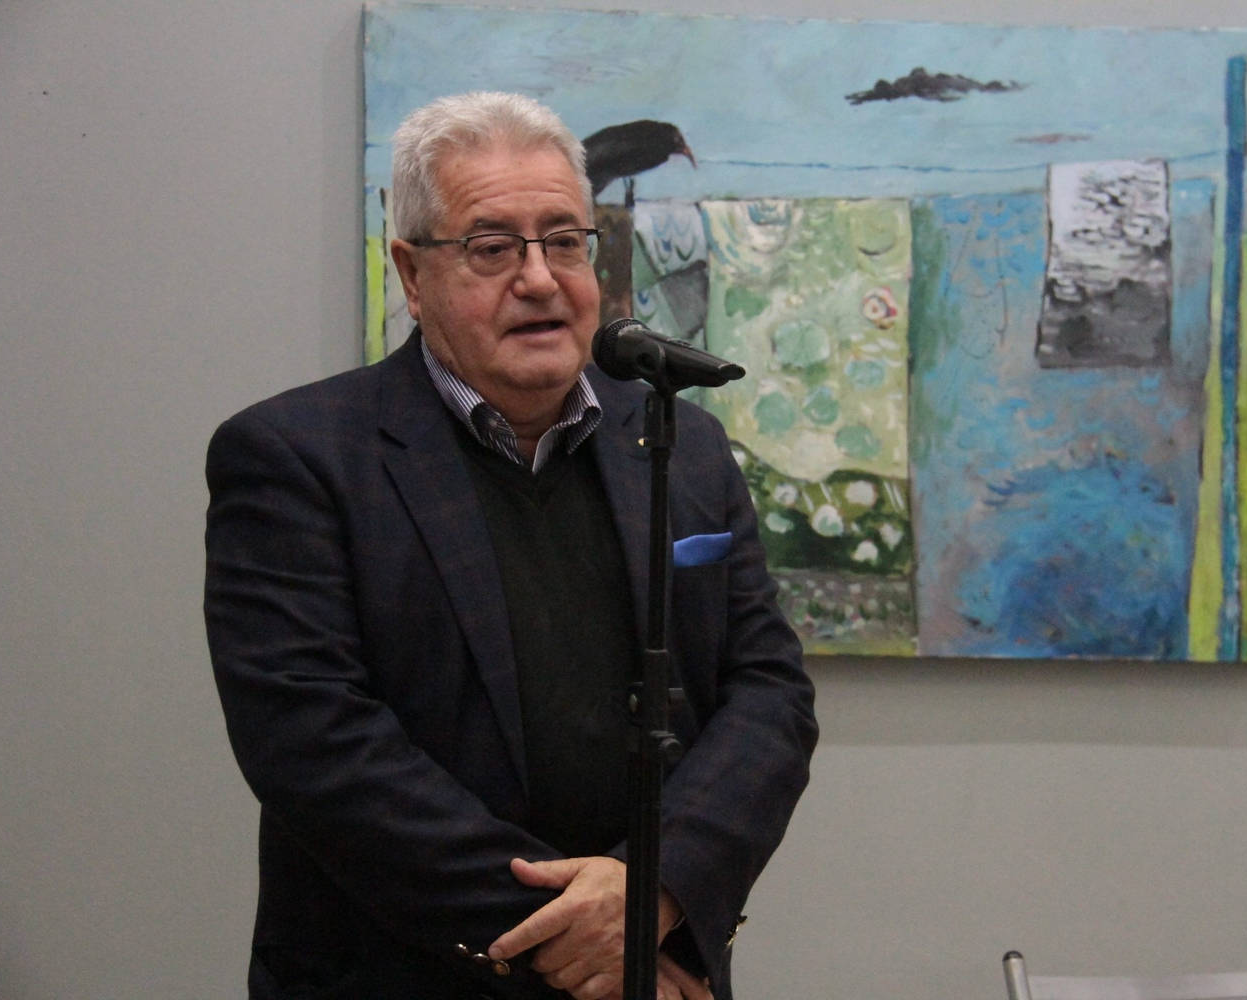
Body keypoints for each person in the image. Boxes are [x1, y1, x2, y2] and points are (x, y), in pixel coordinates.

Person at [203, 91, 817, 1000]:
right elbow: (315, 745)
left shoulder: (681, 445)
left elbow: (769, 694)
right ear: (412, 275)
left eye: (564, 241)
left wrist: (655, 894)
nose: (539, 278)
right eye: (492, 248)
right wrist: (578, 945)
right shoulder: (298, 458)